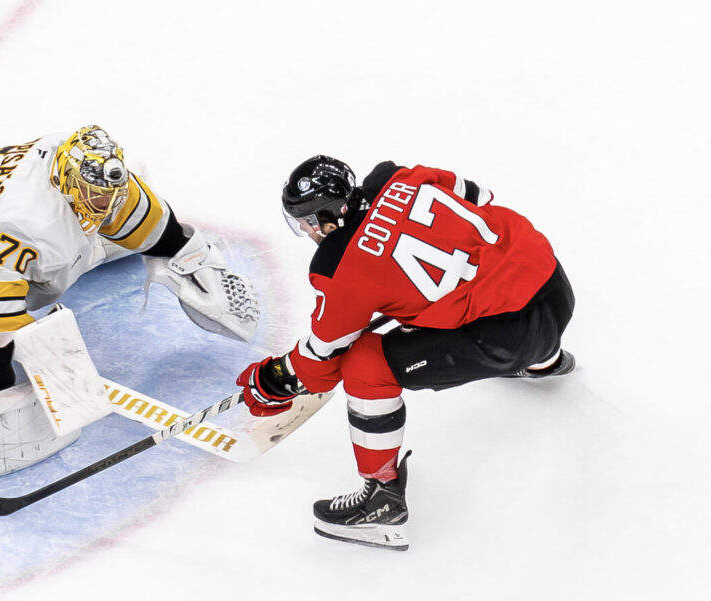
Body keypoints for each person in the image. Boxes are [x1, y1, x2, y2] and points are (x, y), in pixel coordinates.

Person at [235, 156, 575, 550]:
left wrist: (275, 379)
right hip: (552, 283)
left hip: (510, 337)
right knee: (472, 288)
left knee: (366, 362)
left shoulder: (339, 266)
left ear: (329, 216)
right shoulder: (397, 177)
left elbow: (321, 359)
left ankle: (381, 500)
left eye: (309, 221)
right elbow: (479, 197)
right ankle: (545, 360)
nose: (309, 231)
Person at [0, 124, 259, 399]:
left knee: (74, 241)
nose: (105, 206)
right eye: (95, 198)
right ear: (68, 181)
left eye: (110, 196)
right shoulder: (21, 221)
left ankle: (71, 258)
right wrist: (48, 356)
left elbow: (142, 214)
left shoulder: (85, 171)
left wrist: (178, 249)